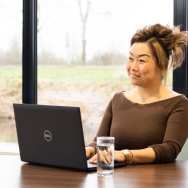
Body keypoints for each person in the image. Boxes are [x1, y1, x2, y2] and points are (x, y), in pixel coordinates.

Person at [86, 23, 188, 165]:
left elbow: (169, 150)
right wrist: (88, 150)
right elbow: (99, 142)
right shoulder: (118, 100)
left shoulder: (178, 103)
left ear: (162, 65)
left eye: (141, 60)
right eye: (130, 58)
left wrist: (126, 155)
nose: (132, 67)